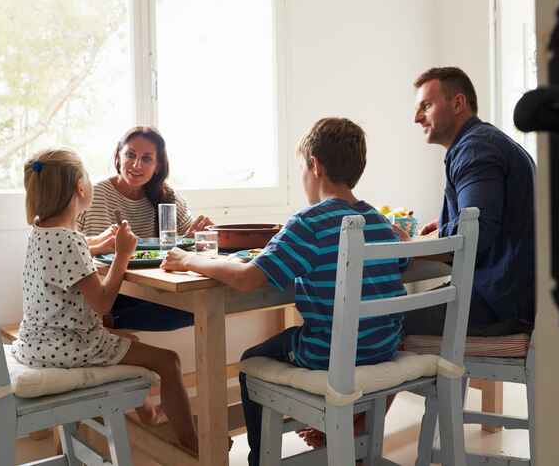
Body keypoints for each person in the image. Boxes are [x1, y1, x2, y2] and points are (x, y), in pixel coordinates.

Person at [160, 117, 409, 466]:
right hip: (382, 347)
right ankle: (340, 433)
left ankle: (262, 460)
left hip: (333, 354)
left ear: (315, 165)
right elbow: (398, 266)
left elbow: (247, 278)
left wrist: (189, 259)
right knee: (298, 338)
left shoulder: (309, 222)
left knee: (250, 362)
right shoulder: (381, 223)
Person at [12, 148, 198, 455]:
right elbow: (102, 304)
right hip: (69, 348)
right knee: (169, 361)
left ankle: (150, 415)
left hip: (36, 343)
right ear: (81, 189)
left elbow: (78, 247)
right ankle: (193, 444)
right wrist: (122, 254)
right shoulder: (68, 240)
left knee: (127, 338)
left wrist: (102, 242)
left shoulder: (40, 231)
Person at [407, 66, 536, 336]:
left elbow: (476, 233)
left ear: (457, 103)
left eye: (426, 106)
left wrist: (409, 246)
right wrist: (444, 225)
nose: (416, 118)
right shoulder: (486, 142)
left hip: (499, 303)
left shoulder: (474, 149)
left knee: (379, 322)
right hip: (514, 296)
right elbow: (490, 220)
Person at [78, 126, 212, 332]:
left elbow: (187, 240)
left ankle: (111, 322)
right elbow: (65, 244)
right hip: (105, 291)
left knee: (203, 308)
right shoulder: (93, 195)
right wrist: (101, 243)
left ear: (158, 165)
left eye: (147, 158)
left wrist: (195, 236)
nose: (136, 164)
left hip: (153, 289)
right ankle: (105, 321)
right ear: (118, 157)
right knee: (198, 310)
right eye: (130, 155)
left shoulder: (167, 197)